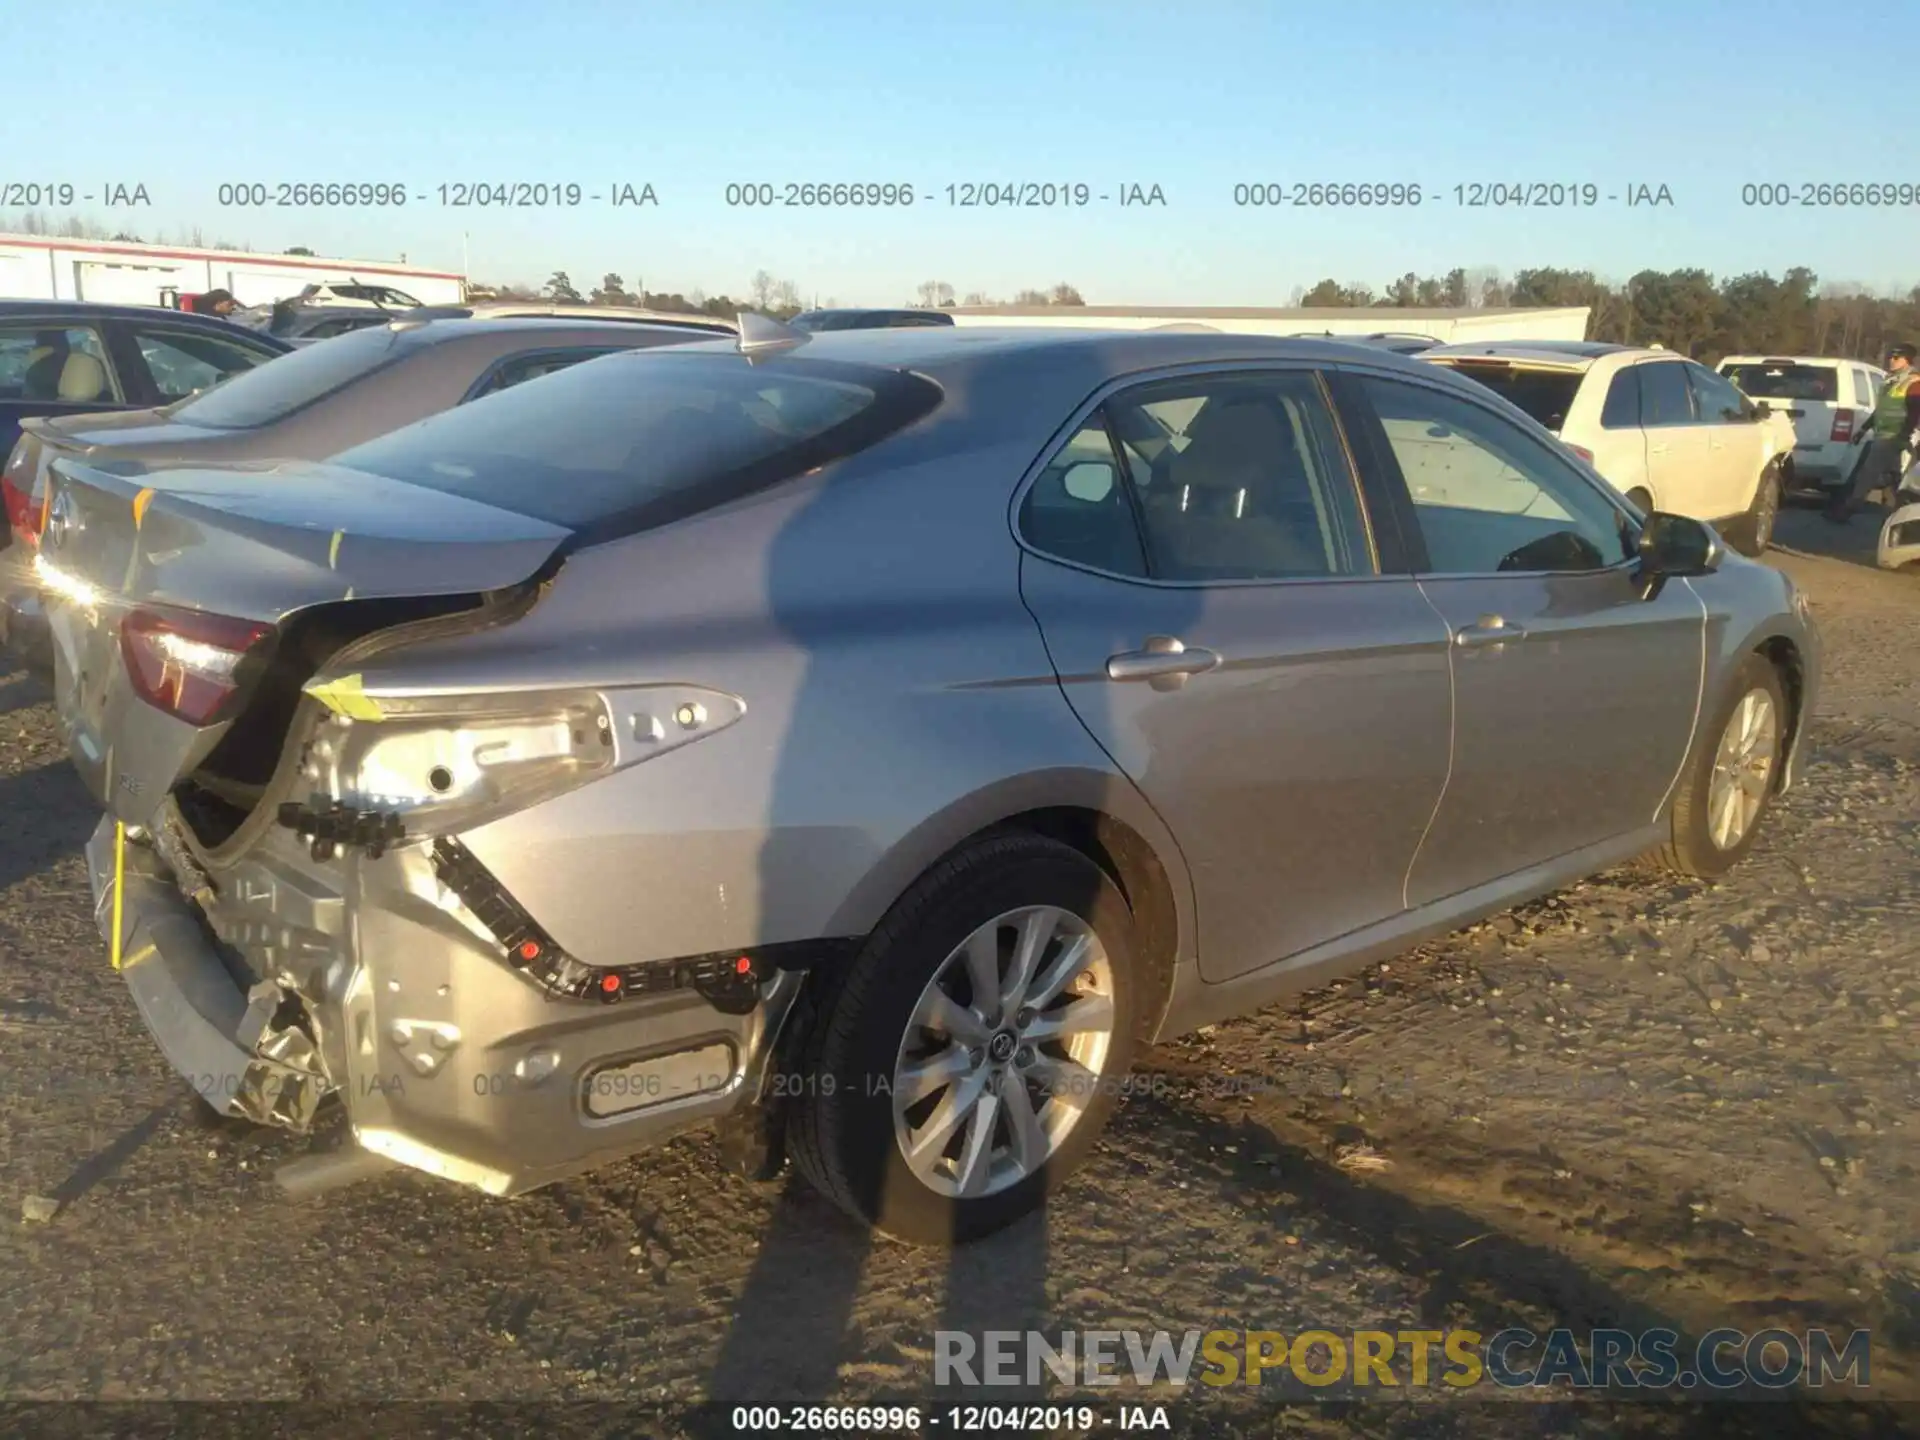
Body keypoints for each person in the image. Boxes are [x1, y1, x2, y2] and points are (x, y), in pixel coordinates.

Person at [1827, 344, 1920, 521]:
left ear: (1907, 360)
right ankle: (1902, 513)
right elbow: (1880, 410)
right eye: (1891, 357)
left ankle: (1847, 510)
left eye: (1896, 358)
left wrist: (1903, 435)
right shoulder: (1890, 381)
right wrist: (1863, 429)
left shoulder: (1914, 383)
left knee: (1868, 473)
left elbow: (1915, 412)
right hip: (1883, 434)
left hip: (1892, 437)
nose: (1891, 360)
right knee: (1894, 477)